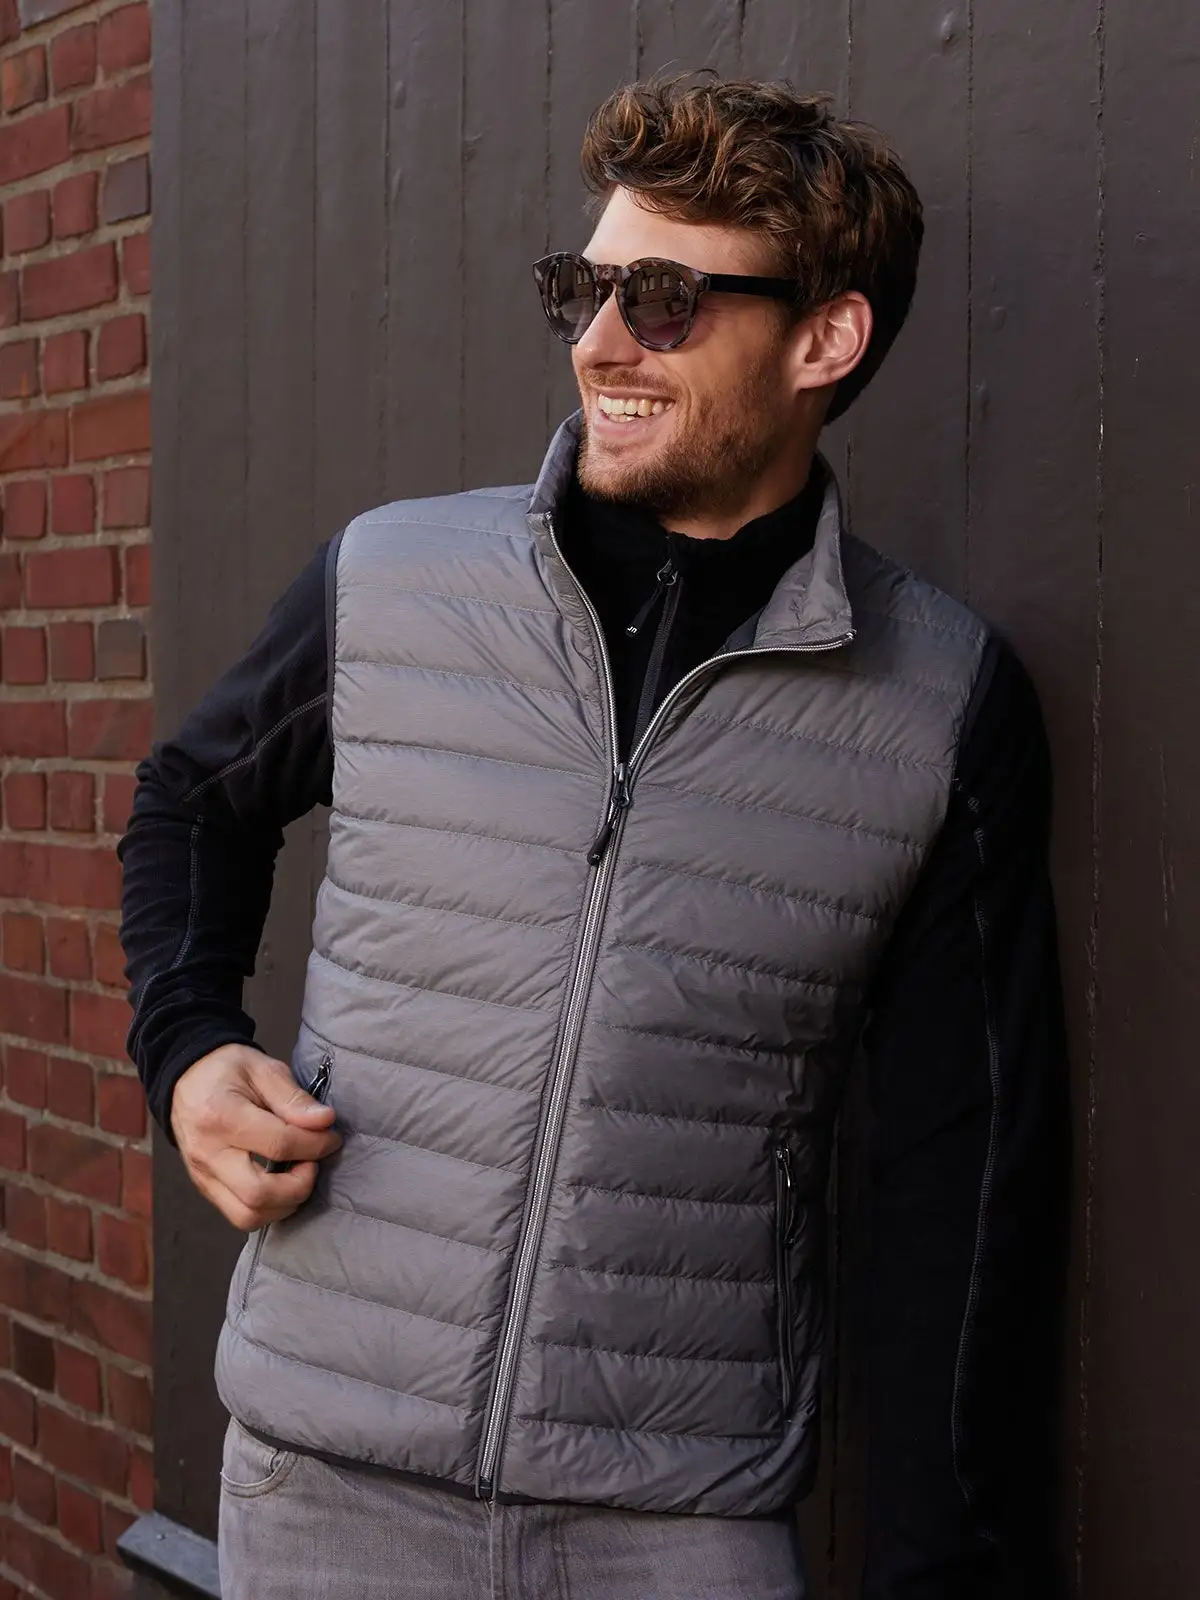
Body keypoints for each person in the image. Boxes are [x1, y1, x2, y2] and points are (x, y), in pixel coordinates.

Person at [119, 75, 1067, 1600]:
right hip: (327, 1484)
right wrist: (187, 1048)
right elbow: (191, 798)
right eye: (586, 288)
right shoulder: (393, 580)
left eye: (666, 299)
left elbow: (960, 1176)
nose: (600, 343)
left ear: (824, 339)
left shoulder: (940, 700)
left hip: (678, 1523)